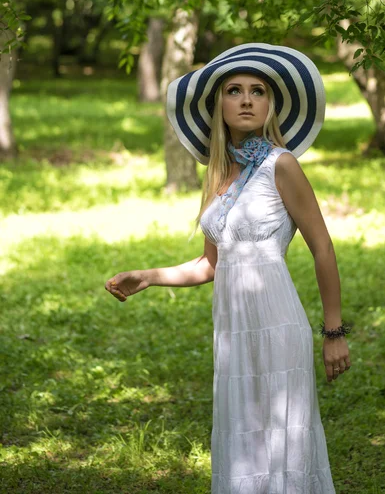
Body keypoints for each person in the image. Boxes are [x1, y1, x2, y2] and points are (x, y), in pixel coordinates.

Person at [105, 43, 352, 494]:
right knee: (243, 439)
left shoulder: (283, 165)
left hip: (277, 322)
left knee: (283, 439)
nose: (245, 99)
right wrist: (148, 276)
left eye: (257, 91)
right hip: (233, 330)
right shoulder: (220, 176)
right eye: (234, 90)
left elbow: (323, 248)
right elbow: (210, 264)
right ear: (218, 104)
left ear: (270, 104)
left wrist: (333, 332)